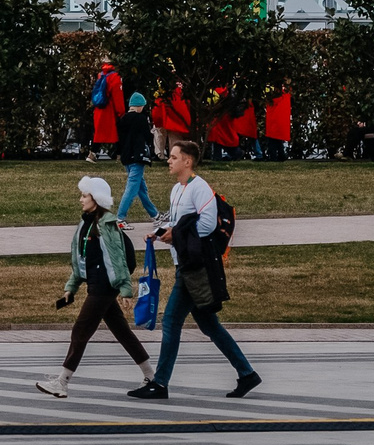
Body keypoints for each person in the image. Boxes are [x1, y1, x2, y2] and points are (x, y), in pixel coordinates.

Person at [139, 140, 260, 400]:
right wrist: (159, 234)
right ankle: (247, 374)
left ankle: (160, 384)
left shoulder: (200, 188)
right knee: (209, 325)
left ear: (188, 161)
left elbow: (206, 226)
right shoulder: (176, 190)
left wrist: (176, 235)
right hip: (183, 262)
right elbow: (175, 223)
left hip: (195, 267)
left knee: (171, 321)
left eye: (173, 157)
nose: (168, 161)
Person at [36, 175, 152, 397]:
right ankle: (151, 376)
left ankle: (62, 382)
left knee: (81, 330)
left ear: (96, 198)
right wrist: (72, 286)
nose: (80, 199)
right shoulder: (87, 224)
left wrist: (125, 290)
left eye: (84, 195)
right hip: (96, 285)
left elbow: (118, 260)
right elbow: (82, 259)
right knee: (122, 332)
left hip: (104, 288)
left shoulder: (107, 225)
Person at [115, 92, 162, 223]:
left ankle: (155, 215)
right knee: (132, 188)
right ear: (139, 106)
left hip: (126, 157)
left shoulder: (123, 119)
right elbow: (147, 136)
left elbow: (119, 140)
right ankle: (120, 217)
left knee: (141, 188)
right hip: (137, 156)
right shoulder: (141, 119)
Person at [89, 58, 125, 161]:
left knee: (99, 133)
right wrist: (121, 112)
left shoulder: (101, 75)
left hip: (100, 108)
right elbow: (117, 96)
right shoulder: (115, 77)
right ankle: (119, 155)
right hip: (110, 109)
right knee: (117, 133)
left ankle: (92, 153)